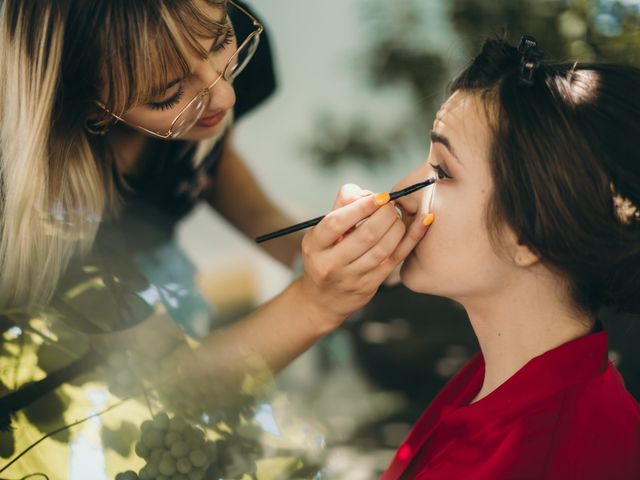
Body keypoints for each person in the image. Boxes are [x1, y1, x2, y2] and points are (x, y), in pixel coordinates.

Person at [0, 0, 432, 419]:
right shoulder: (48, 221)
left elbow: (207, 161)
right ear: (93, 111)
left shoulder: (191, 37)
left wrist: (300, 247)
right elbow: (171, 388)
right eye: (169, 95)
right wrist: (319, 301)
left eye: (222, 41)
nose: (224, 97)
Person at [381, 35, 640, 479]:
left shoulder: (535, 459)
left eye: (441, 172)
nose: (400, 192)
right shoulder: (503, 379)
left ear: (533, 234)